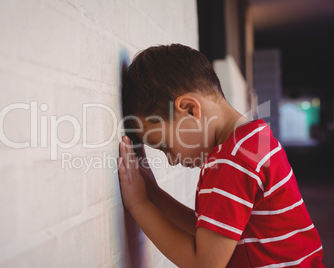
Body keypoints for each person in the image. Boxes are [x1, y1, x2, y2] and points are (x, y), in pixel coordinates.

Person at [117, 44, 324, 267]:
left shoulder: (233, 160)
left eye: (165, 145)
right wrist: (153, 193)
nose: (172, 159)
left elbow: (205, 263)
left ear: (190, 109)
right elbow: (209, 230)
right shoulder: (253, 141)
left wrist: (139, 204)